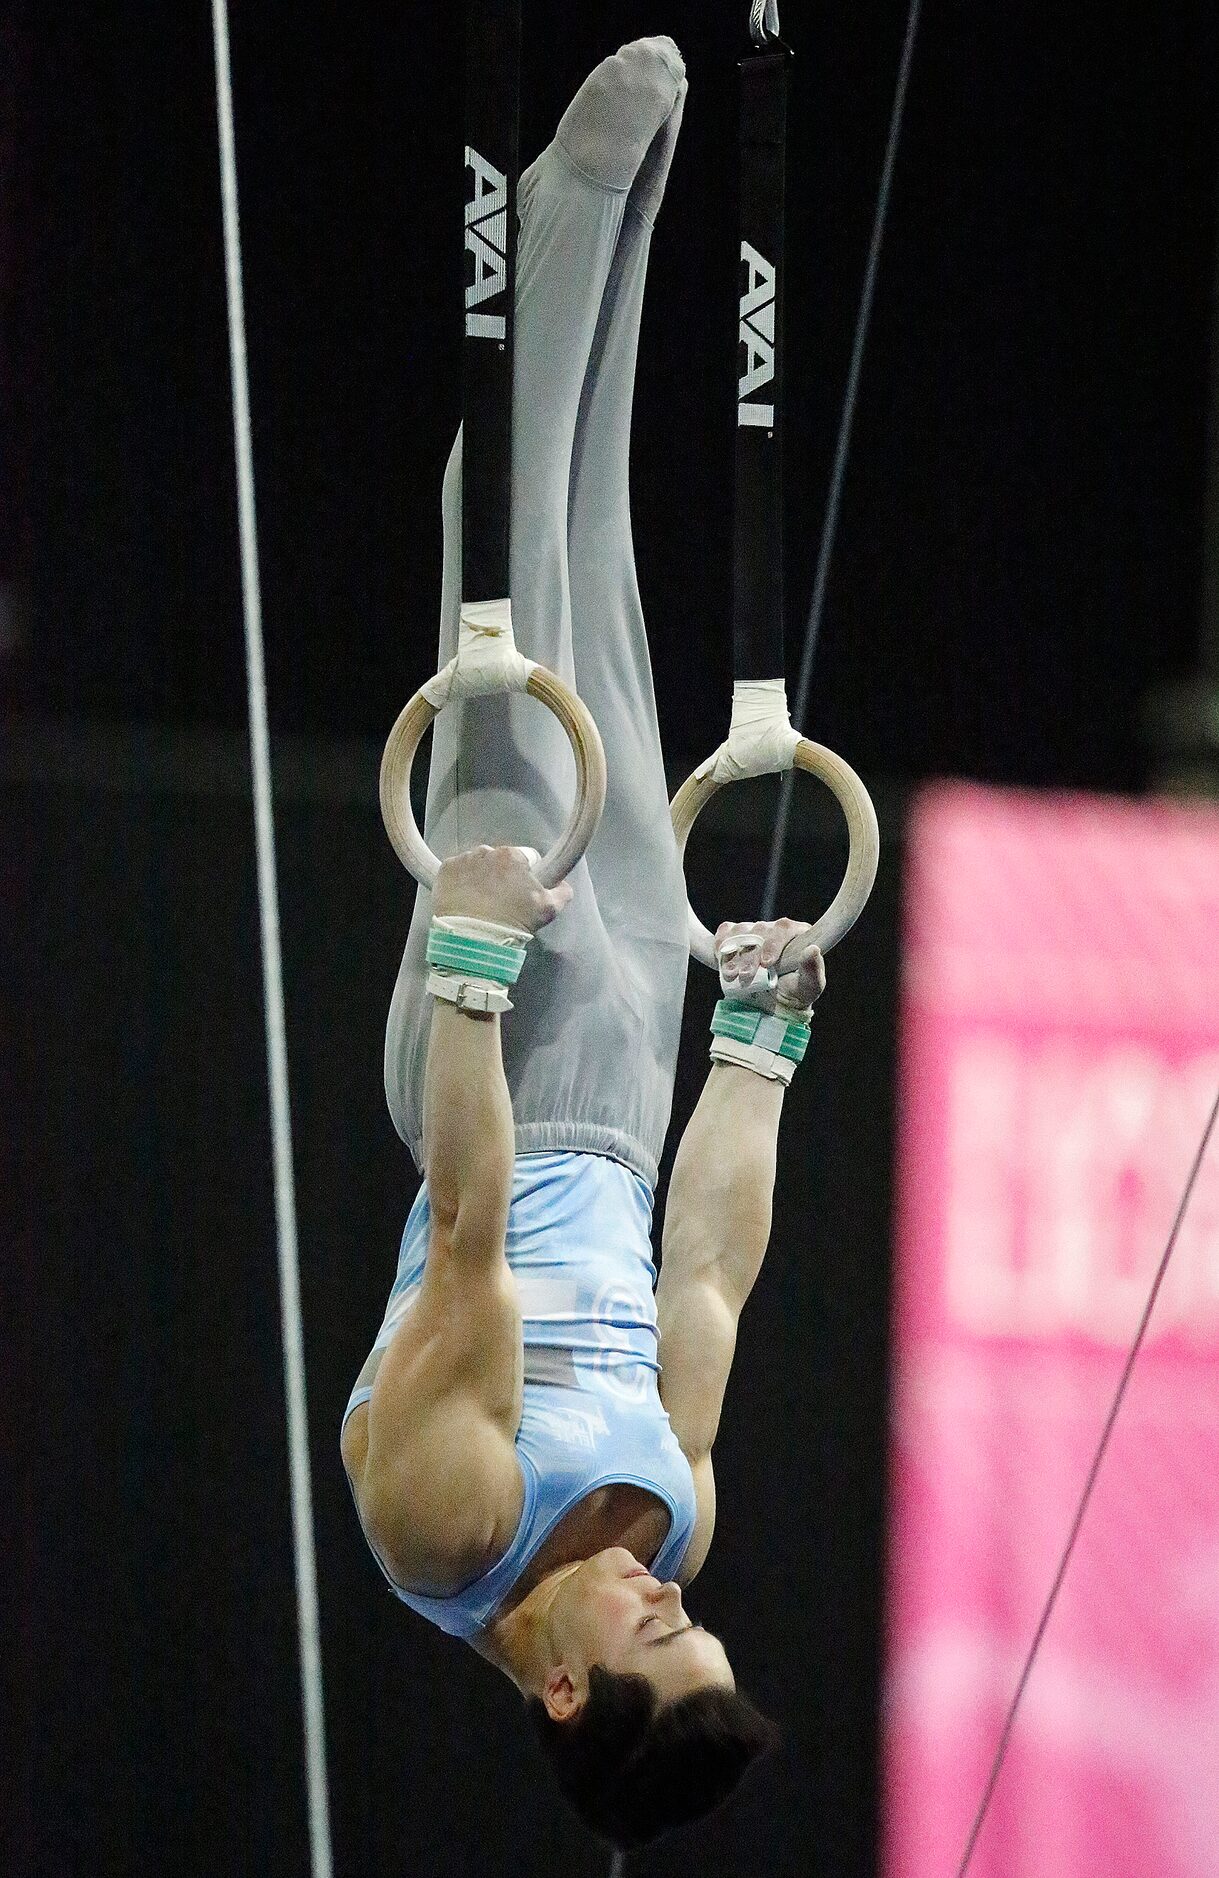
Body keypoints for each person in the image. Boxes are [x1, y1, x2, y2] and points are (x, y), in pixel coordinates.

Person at [341, 37, 825, 1849]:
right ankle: (615, 250)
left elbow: (467, 1224)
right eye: (699, 1628)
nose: (677, 1604)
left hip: (502, 1067)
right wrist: (759, 1056)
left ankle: (559, 223)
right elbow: (706, 1276)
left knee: (513, 632)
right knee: (605, 621)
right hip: (629, 1087)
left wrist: (464, 965)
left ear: (562, 1686)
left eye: (661, 1642)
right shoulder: (671, 1517)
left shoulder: (445, 1524)